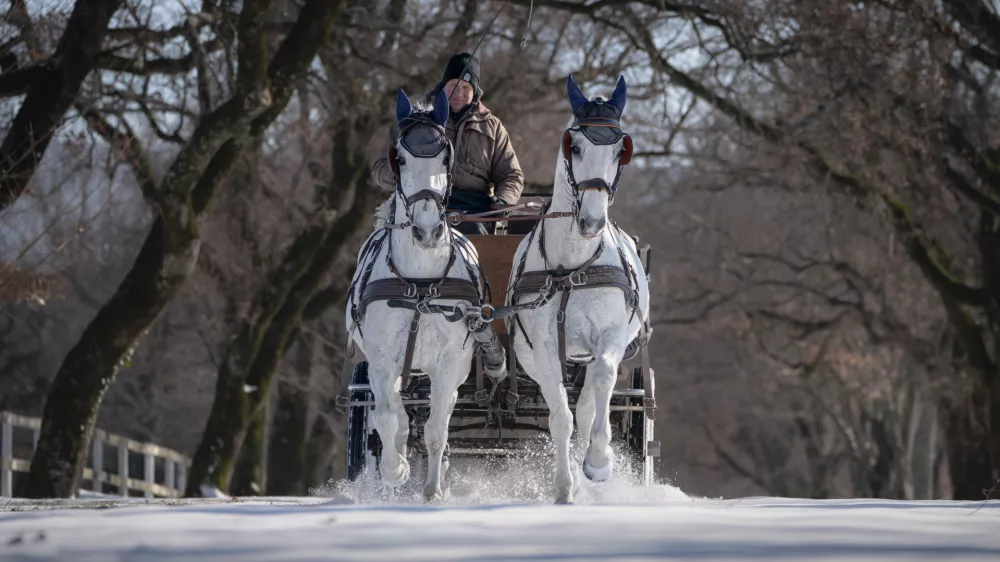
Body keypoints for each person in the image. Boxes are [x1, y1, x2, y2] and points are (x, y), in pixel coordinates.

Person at [371, 53, 524, 235]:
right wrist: (404, 174)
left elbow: (511, 175)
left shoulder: (493, 127)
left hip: (473, 211)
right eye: (454, 86)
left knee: (474, 233)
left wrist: (504, 200)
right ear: (443, 86)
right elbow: (380, 168)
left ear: (475, 91)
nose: (459, 93)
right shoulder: (412, 121)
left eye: (466, 87)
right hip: (417, 203)